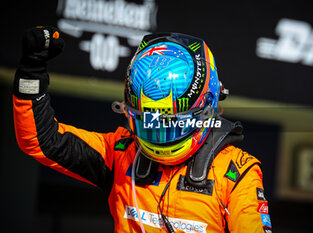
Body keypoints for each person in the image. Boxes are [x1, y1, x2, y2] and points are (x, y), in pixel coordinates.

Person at [13, 26, 272, 233]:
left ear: (206, 107)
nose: (158, 131)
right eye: (148, 120)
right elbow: (42, 140)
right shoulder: (122, 152)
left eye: (171, 121)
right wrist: (31, 74)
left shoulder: (237, 174)